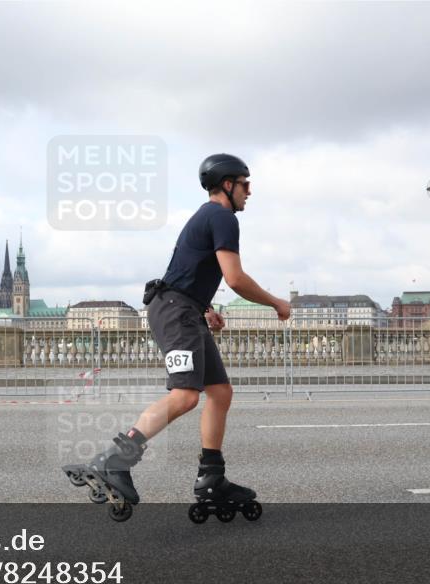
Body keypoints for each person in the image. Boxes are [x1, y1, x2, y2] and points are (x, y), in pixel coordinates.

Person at [64, 153, 291, 520]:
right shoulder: (221, 216)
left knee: (220, 392)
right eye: (246, 184)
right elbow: (235, 278)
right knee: (185, 396)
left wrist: (204, 307)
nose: (250, 192)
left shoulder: (209, 217)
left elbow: (187, 270)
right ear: (228, 185)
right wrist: (276, 302)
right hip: (175, 311)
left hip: (185, 307)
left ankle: (212, 477)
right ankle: (112, 461)